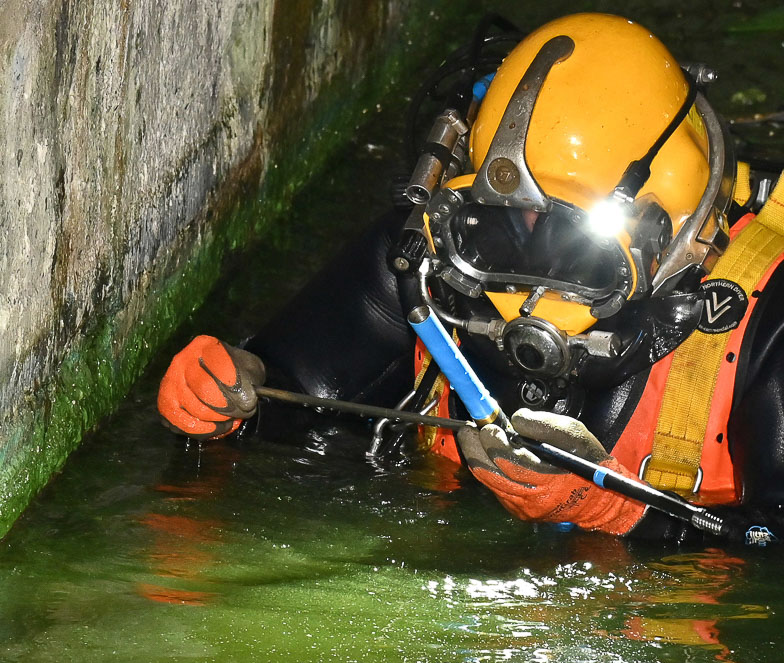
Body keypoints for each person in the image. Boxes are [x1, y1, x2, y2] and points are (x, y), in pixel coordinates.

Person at [157, 13, 784, 546]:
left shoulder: (769, 315)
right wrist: (230, 394)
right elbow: (290, 392)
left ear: (668, 227)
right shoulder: (431, 256)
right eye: (503, 224)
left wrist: (621, 513)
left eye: (569, 235)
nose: (529, 265)